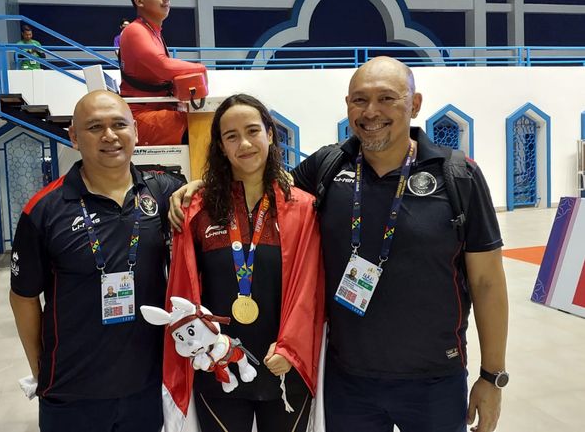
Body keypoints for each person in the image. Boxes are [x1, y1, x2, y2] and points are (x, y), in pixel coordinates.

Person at [169, 57, 509, 432]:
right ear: (348, 106)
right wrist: (199, 187)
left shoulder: (458, 176)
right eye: (360, 100)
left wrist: (492, 377)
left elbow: (488, 283)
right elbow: (261, 183)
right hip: (349, 383)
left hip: (434, 379)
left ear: (414, 104)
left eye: (387, 98)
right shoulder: (329, 167)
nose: (372, 111)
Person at [9, 90, 184, 432]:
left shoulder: (161, 192)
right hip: (72, 393)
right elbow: (23, 298)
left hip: (146, 387)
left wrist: (196, 186)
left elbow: (213, 191)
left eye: (119, 124)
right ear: (74, 137)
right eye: (94, 127)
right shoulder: (44, 210)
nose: (109, 136)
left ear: (135, 130)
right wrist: (42, 370)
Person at [163, 94, 325, 432]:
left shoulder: (302, 207)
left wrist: (291, 348)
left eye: (253, 131)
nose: (245, 143)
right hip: (217, 365)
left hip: (283, 363)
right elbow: (186, 288)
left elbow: (310, 288)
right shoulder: (197, 209)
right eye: (231, 136)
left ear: (269, 133)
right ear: (220, 146)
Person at [119, 0, 207, 146]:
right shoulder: (135, 30)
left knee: (212, 123)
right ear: (139, 1)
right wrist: (201, 68)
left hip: (157, 112)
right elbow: (164, 67)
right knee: (206, 128)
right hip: (141, 119)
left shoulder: (153, 32)